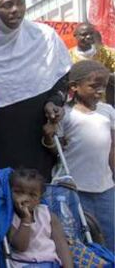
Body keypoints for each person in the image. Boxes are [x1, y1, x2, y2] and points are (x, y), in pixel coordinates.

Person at [0, 0, 71, 181]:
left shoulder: (45, 37)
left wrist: (54, 102)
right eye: (7, 5)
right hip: (2, 136)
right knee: (8, 192)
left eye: (19, 3)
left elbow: (62, 78)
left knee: (40, 194)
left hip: (40, 132)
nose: (15, 9)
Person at [43, 60, 115, 252]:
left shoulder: (107, 112)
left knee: (110, 234)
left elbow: (112, 148)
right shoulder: (64, 114)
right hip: (75, 189)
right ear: (74, 86)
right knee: (82, 236)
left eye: (103, 87)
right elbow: (56, 149)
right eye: (93, 86)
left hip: (106, 188)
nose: (100, 91)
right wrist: (50, 137)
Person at [8, 168, 73, 267]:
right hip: (25, 264)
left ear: (39, 199)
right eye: (18, 192)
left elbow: (61, 245)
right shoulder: (10, 218)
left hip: (51, 262)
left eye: (32, 195)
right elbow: (21, 247)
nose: (25, 198)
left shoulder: (48, 215)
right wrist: (25, 219)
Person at [69, 23, 115, 106]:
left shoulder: (107, 53)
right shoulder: (68, 56)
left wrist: (105, 75)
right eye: (84, 34)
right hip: (78, 104)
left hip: (103, 102)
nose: (89, 36)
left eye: (91, 33)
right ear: (75, 36)